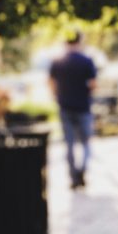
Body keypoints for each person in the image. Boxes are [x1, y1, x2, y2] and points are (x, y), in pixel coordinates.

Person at [49, 30, 97, 190]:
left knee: (68, 144)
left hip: (65, 106)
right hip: (83, 107)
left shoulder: (58, 62)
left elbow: (51, 83)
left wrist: (57, 96)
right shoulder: (86, 61)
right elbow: (93, 84)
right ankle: (82, 170)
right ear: (80, 41)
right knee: (86, 143)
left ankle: (73, 175)